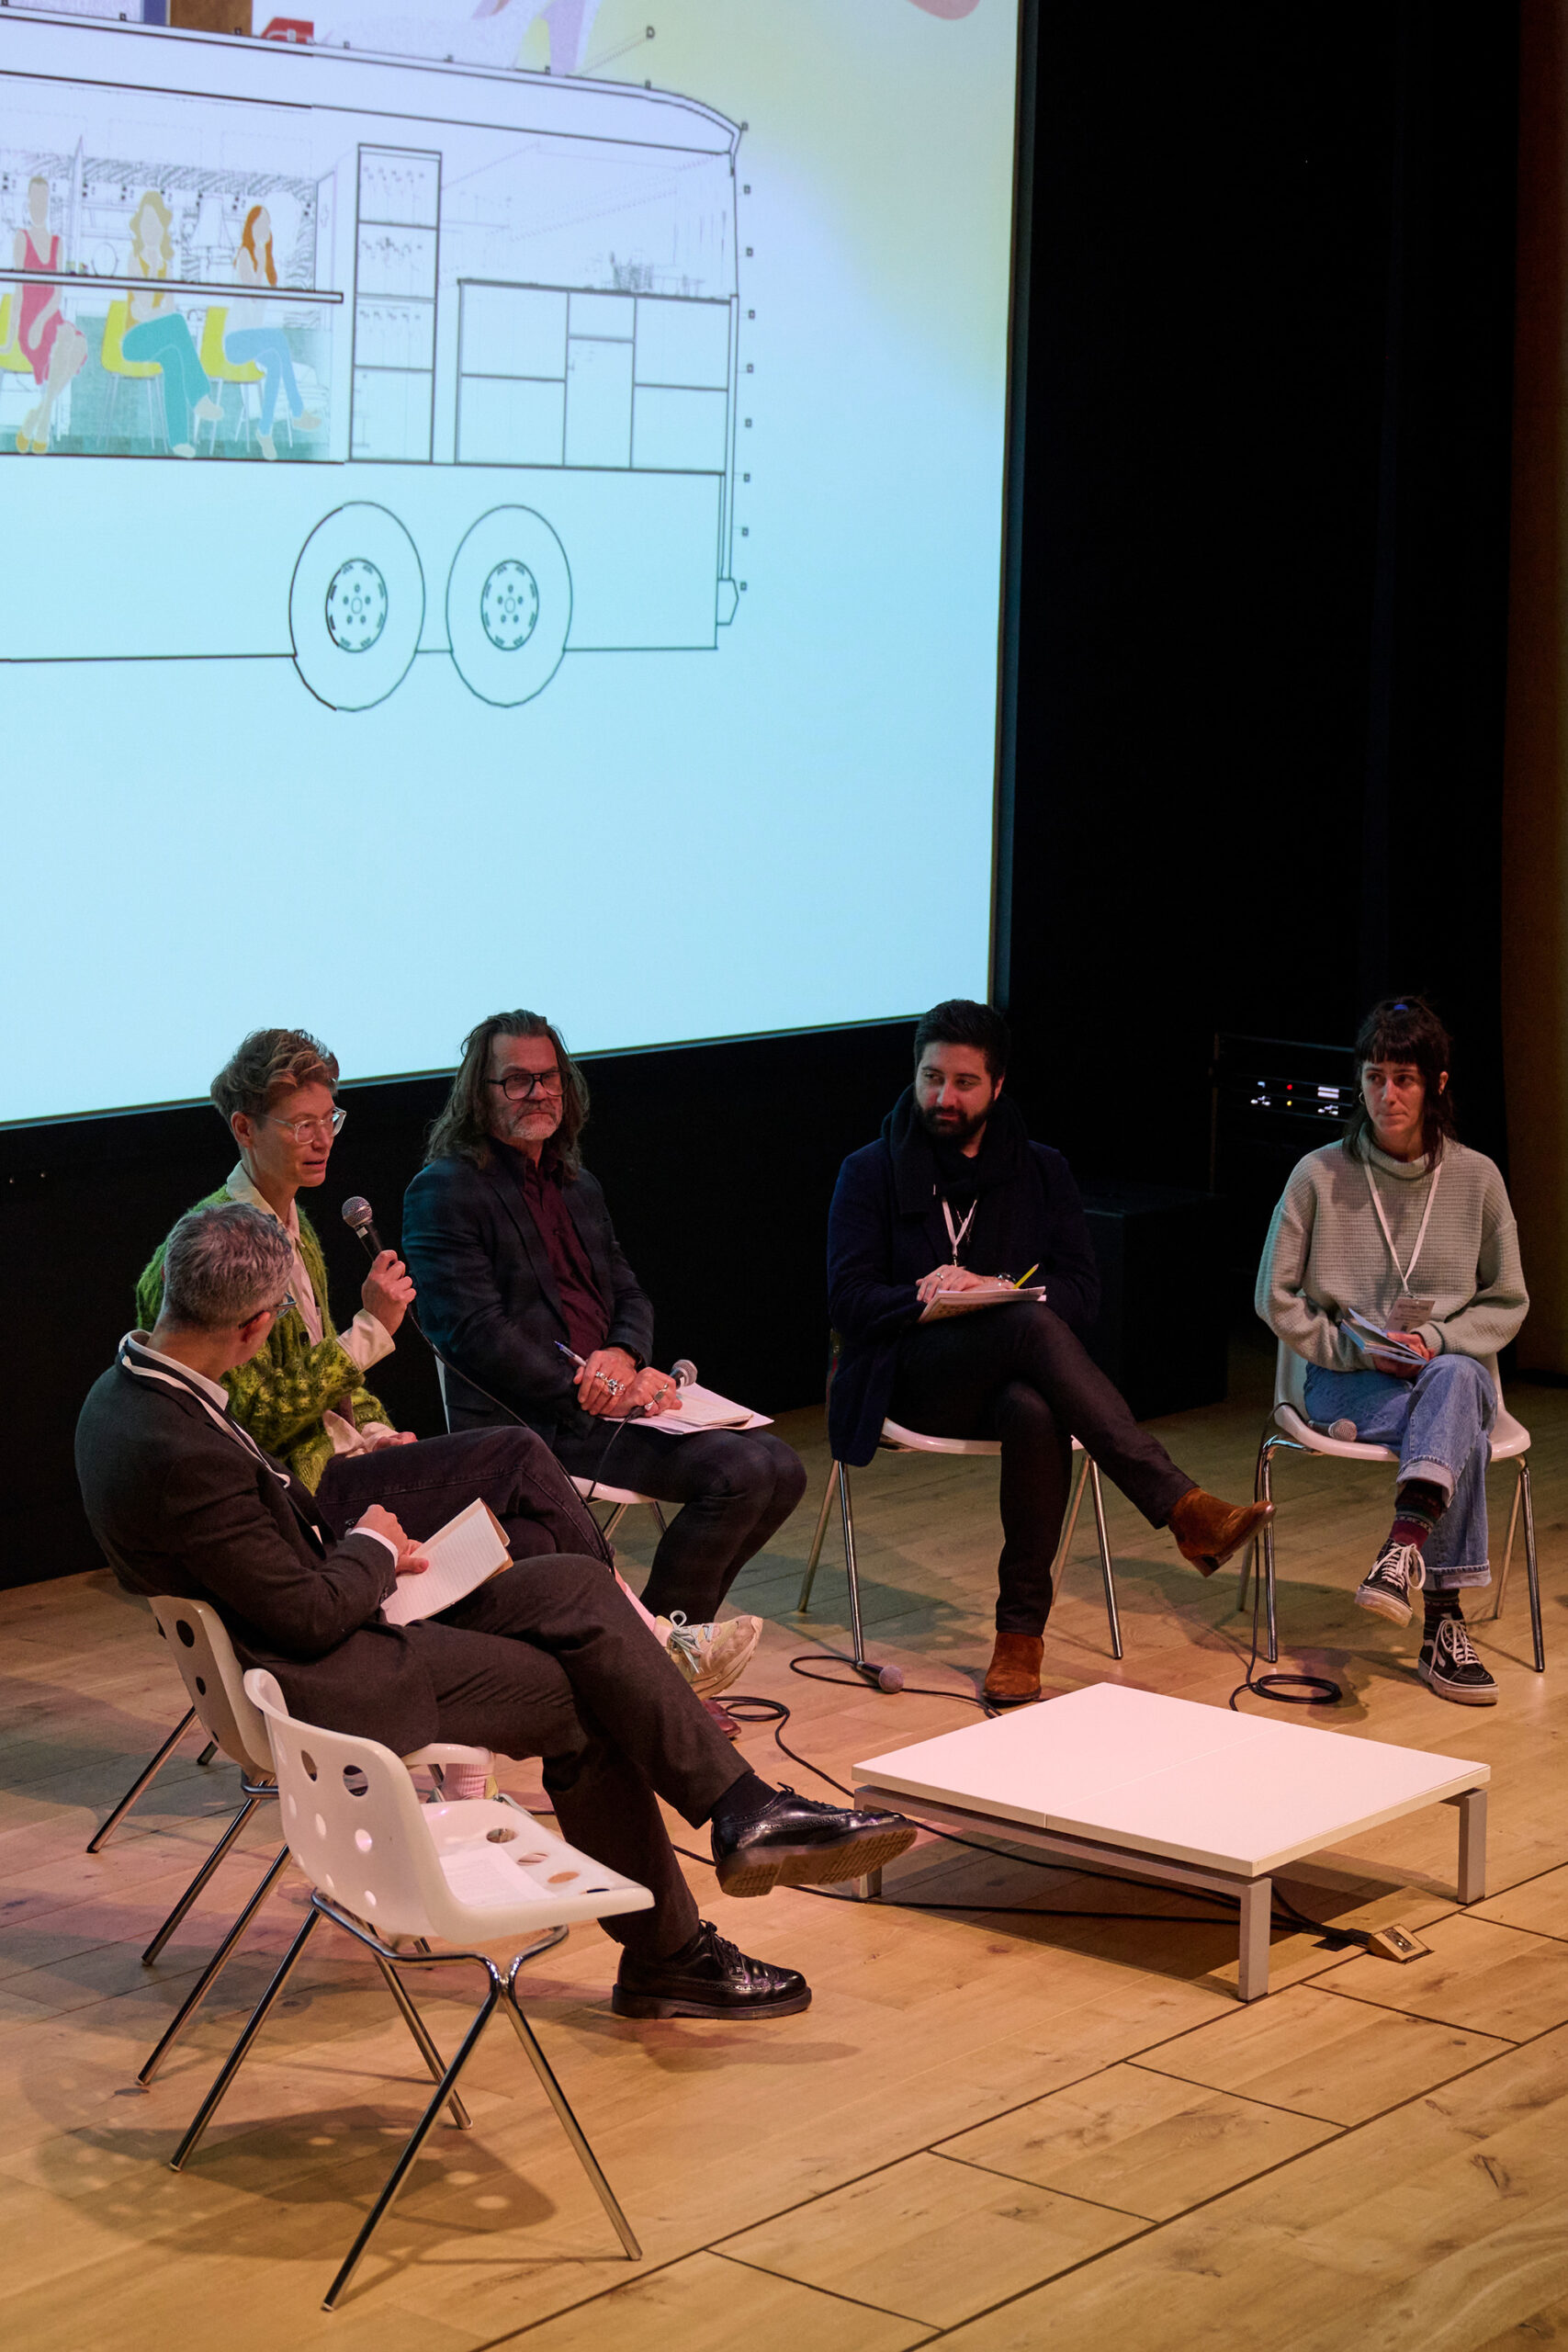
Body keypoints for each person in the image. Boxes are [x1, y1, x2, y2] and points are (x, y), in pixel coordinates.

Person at [82, 1204, 916, 2017]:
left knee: (572, 1585)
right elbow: (303, 1618)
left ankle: (743, 1811)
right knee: (586, 1704)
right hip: (327, 1676)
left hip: (331, 1623)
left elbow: (268, 1566)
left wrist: (375, 1553)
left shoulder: (127, 1391)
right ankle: (671, 1955)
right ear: (255, 1328)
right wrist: (369, 1550)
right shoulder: (176, 1451)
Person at [134, 1028, 762, 1713]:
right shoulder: (213, 1249)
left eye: (331, 1120)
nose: (323, 1140)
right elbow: (246, 1421)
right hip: (300, 1498)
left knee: (529, 1538)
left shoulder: (295, 1226)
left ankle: (582, 1693)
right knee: (517, 1453)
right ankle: (649, 1649)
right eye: (302, 1124)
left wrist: (374, 1428)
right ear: (245, 1128)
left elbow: (336, 1386)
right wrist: (369, 1331)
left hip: (344, 1464)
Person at [827, 1000, 1273, 1707]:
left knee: (1034, 1405)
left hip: (1007, 1382)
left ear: (997, 1086)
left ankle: (1018, 1641)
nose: (943, 1097)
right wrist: (927, 1296)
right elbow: (847, 1302)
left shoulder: (1041, 1170)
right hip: (907, 1376)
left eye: (964, 1082)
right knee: (1030, 1331)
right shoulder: (869, 1170)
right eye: (931, 1078)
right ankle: (1180, 1507)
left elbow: (1082, 1292)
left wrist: (995, 1289)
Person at [400, 1011, 808, 1632]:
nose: (537, 1092)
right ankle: (665, 1651)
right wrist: (590, 1389)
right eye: (516, 1080)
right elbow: (470, 1332)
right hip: (535, 1420)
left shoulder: (577, 1185)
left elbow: (630, 1294)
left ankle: (670, 1642)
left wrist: (622, 1357)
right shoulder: (445, 1189)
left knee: (783, 1469)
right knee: (742, 1473)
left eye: (549, 1078)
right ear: (477, 1095)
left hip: (613, 1402)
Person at [1256, 995, 1528, 1704]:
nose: (1386, 1094)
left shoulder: (1477, 1179)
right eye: (1374, 1077)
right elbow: (1272, 1296)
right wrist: (1351, 1352)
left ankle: (1400, 1550)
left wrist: (1434, 1338)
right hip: (1346, 1383)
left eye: (1403, 1079)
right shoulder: (1318, 1175)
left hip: (1438, 1375)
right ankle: (1441, 1622)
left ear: (1435, 1084)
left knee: (1457, 1378)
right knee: (1460, 1406)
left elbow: (1508, 1300)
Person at [121, 189, 223, 458]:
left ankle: (178, 441)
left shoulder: (166, 264)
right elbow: (144, 310)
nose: (150, 229)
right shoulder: (136, 261)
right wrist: (154, 272)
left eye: (154, 223)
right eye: (145, 223)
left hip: (156, 339)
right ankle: (200, 397)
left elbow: (161, 309)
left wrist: (152, 310)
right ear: (139, 227)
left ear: (163, 226)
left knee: (174, 359)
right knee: (177, 323)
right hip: (133, 341)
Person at [223, 205, 321, 462]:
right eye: (259, 224)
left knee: (278, 362)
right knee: (277, 339)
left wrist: (264, 258)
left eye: (267, 225)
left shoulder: (263, 261)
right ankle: (298, 412)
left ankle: (264, 431)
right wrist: (261, 255)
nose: (264, 230)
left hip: (251, 340)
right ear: (250, 227)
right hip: (235, 341)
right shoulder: (245, 254)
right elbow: (252, 295)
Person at [12, 175, 87, 455]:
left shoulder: (58, 243)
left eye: (44, 199)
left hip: (49, 318)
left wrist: (43, 321)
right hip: (28, 324)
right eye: (35, 199)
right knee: (67, 339)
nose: (39, 205)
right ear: (29, 202)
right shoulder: (22, 238)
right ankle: (42, 420)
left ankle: (40, 416)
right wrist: (10, 338)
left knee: (76, 342)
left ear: (49, 203)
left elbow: (57, 295)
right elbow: (19, 291)